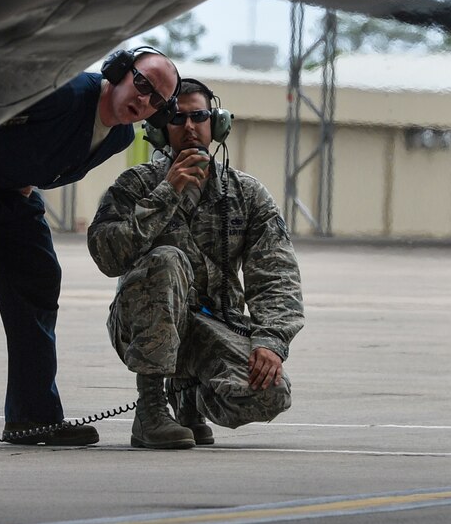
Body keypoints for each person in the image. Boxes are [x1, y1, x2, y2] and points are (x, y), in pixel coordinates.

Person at [0, 46, 182, 445]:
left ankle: (32, 416)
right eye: (141, 84)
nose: (143, 101)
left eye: (156, 100)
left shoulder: (119, 136)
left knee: (37, 282)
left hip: (7, 188)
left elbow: (48, 154)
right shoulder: (66, 92)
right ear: (119, 72)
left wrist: (24, 175)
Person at [87, 77, 304, 449]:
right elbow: (107, 256)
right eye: (176, 118)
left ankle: (188, 396)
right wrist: (166, 192)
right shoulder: (135, 186)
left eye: (199, 116)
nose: (188, 127)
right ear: (160, 129)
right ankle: (151, 408)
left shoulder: (246, 193)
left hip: (213, 325)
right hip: (142, 325)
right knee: (166, 260)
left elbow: (277, 275)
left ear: (216, 123)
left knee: (271, 393)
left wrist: (270, 340)